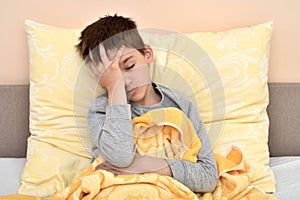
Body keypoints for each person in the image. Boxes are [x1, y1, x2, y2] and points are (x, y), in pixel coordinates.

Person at [76, 14, 218, 193]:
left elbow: (208, 177)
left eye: (129, 66)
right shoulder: (101, 110)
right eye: (111, 76)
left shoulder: (181, 105)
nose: (124, 81)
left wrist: (145, 164)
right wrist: (115, 89)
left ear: (147, 54)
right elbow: (119, 157)